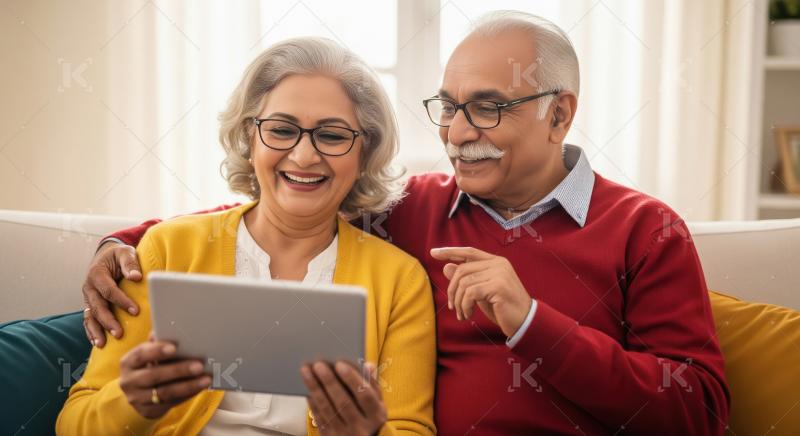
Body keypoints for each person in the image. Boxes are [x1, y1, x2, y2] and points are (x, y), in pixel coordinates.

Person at [80, 11, 730, 435]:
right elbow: (286, 202)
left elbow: (699, 412)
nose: (455, 132)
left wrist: (533, 323)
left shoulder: (647, 229)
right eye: (447, 107)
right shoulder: (412, 209)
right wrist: (125, 242)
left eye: (486, 108)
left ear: (559, 115)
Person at [57, 37, 436, 436]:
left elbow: (411, 429)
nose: (305, 156)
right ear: (249, 139)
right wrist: (131, 403)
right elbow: (73, 424)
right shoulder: (167, 249)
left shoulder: (400, 281)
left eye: (333, 135)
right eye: (281, 129)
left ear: (365, 153)